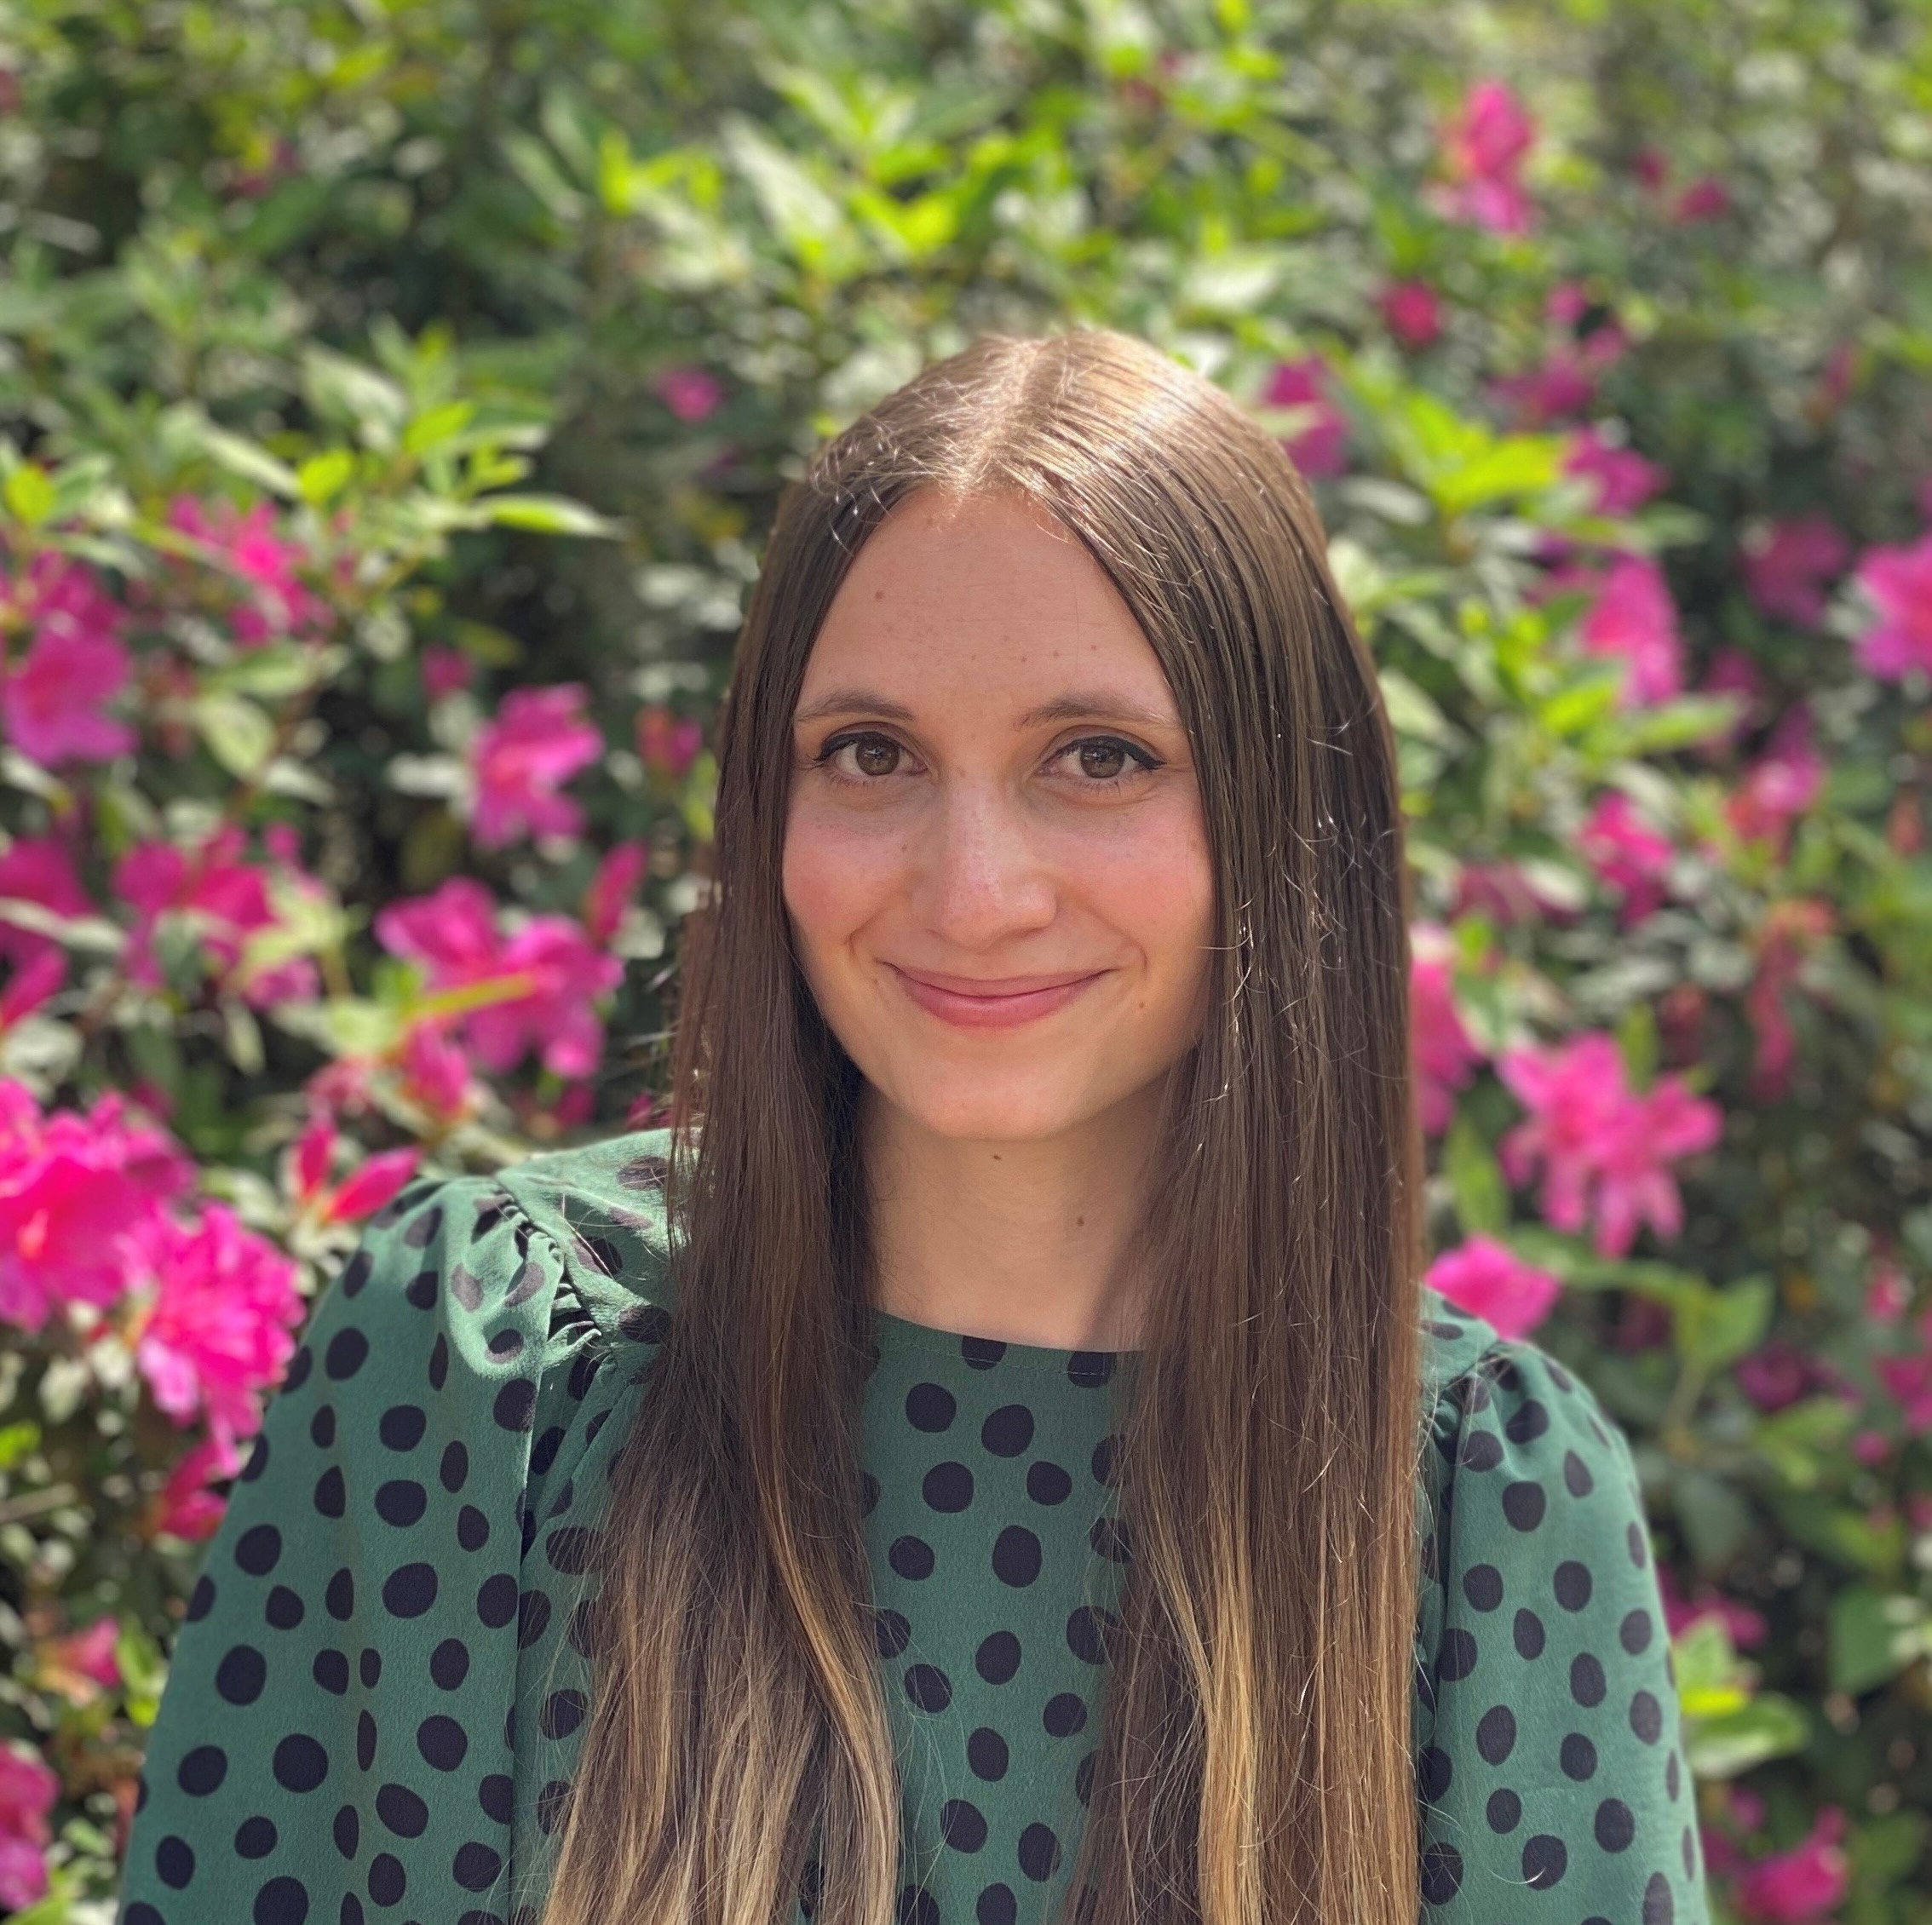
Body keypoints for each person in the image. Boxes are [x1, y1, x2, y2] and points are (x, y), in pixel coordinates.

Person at [118, 330, 1710, 1925]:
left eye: (1099, 760)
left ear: (1284, 823)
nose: (972, 894)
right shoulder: (485, 1364)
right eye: (871, 755)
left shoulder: (1483, 1512)